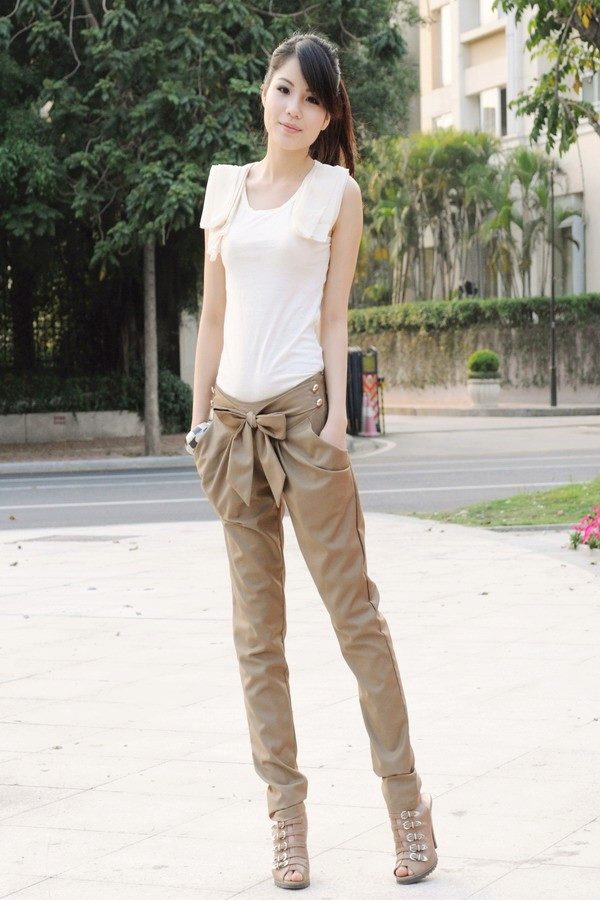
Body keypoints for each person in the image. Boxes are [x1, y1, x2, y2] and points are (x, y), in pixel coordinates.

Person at [187, 30, 438, 890]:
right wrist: (199, 426)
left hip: (303, 424)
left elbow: (334, 316)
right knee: (257, 639)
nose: (295, 109)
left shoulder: (338, 192)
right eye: (286, 90)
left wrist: (335, 427)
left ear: (329, 117)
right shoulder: (225, 189)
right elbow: (213, 317)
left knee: (355, 622)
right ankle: (286, 823)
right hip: (232, 429)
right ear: (265, 92)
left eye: (314, 99)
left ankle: (407, 806)